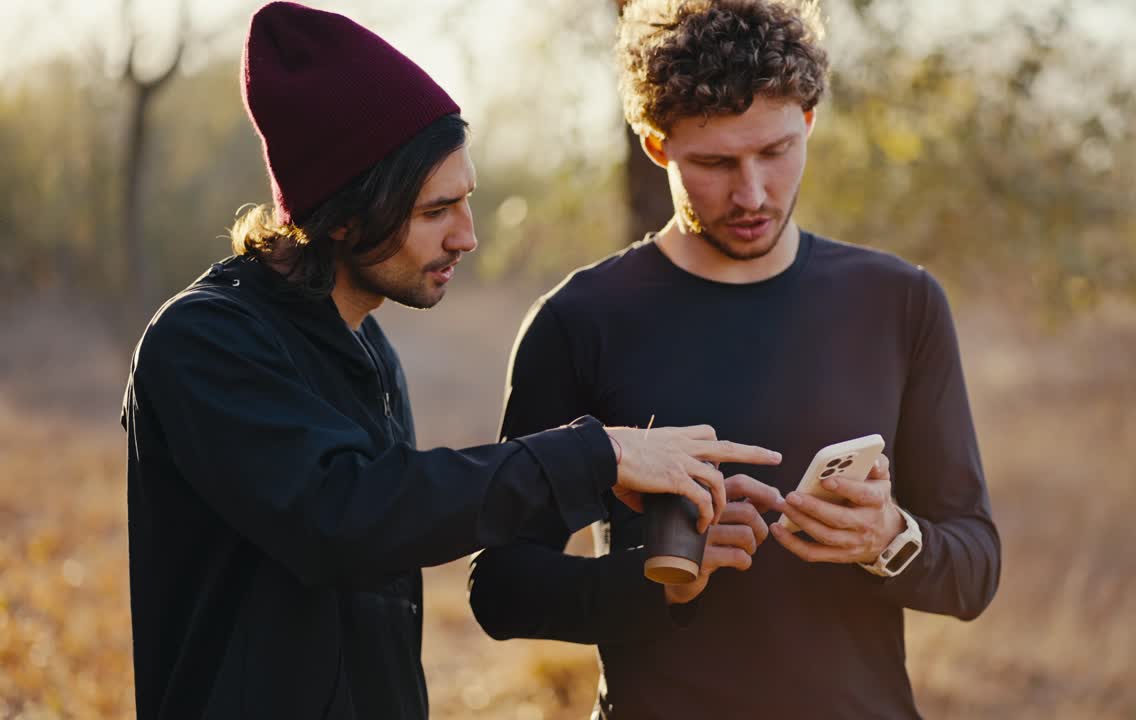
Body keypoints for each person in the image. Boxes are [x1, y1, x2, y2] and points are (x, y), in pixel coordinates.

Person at [119, 3, 782, 718]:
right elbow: (344, 517)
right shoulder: (204, 342)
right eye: (436, 212)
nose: (467, 236)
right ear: (343, 215)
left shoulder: (366, 346)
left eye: (466, 200)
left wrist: (644, 543)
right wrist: (595, 456)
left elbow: (396, 530)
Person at [467, 1, 1001, 717]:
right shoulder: (578, 321)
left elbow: (975, 568)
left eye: (775, 152)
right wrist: (664, 577)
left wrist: (888, 538)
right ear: (656, 144)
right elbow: (500, 589)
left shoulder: (901, 302)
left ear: (809, 119)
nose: (751, 193)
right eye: (715, 163)